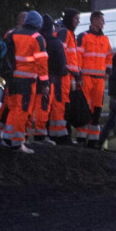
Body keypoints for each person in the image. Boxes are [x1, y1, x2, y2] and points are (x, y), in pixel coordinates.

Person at [2, 11, 48, 153]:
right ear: (38, 24)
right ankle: (17, 143)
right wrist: (45, 83)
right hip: (27, 81)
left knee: (14, 108)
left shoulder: (12, 34)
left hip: (12, 79)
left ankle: (7, 139)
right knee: (22, 111)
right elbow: (42, 63)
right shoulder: (37, 38)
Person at [76, 11, 111, 148]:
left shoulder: (105, 40)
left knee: (97, 108)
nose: (103, 23)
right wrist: (78, 75)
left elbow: (109, 57)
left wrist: (108, 71)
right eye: (101, 20)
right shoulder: (83, 37)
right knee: (85, 107)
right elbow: (78, 57)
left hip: (100, 79)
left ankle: (93, 140)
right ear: (94, 21)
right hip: (86, 77)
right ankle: (81, 138)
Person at [31, 13, 67, 144]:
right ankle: (40, 135)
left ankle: (25, 134)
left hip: (32, 79)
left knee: (30, 108)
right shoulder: (55, 43)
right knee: (43, 107)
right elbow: (62, 65)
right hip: (49, 80)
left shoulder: (35, 39)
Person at [0, 11, 28, 140]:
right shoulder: (13, 34)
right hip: (13, 75)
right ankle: (0, 135)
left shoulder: (13, 34)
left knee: (10, 105)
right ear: (22, 21)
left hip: (14, 75)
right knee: (9, 105)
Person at [57, 8, 81, 144]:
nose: (78, 22)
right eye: (76, 19)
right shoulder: (65, 33)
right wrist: (75, 73)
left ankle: (64, 134)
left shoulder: (69, 33)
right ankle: (63, 136)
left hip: (69, 76)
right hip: (65, 76)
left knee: (65, 106)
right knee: (63, 106)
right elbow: (62, 54)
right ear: (70, 19)